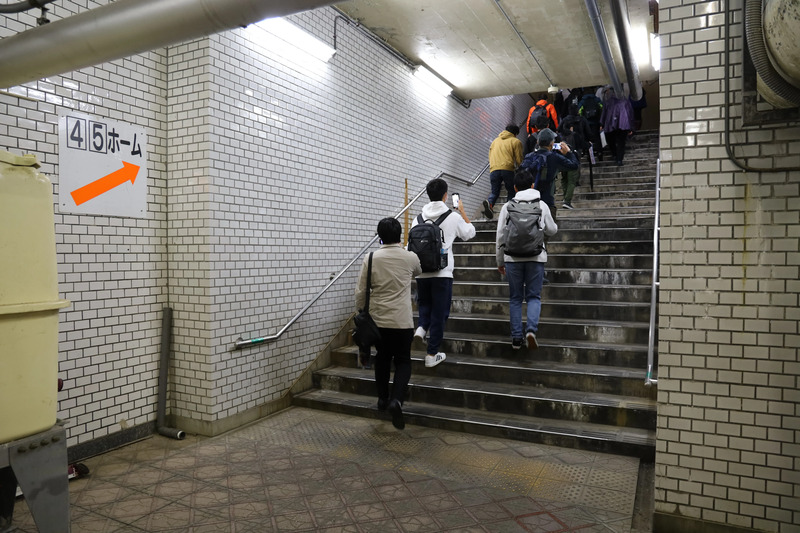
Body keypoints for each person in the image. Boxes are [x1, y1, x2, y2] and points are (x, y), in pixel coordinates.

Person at [355, 218, 422, 430]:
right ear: (400, 235)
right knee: (403, 361)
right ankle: (396, 401)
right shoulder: (410, 257)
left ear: (379, 236)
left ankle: (383, 399)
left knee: (382, 359)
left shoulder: (370, 258)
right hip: (402, 321)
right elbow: (419, 271)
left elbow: (361, 291)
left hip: (378, 321)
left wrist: (361, 313)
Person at [413, 178, 476, 367]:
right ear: (446, 196)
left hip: (422, 273)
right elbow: (470, 233)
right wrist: (462, 211)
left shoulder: (418, 218)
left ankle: (421, 328)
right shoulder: (453, 217)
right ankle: (432, 355)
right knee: (440, 314)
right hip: (442, 274)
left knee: (425, 305)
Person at [495, 170, 558, 349]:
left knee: (515, 298)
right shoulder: (542, 205)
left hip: (512, 258)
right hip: (536, 257)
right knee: (533, 297)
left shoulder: (507, 207)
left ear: (515, 188)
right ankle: (531, 330)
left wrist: (500, 261)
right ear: (532, 185)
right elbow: (552, 230)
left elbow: (500, 235)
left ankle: (516, 337)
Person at [528, 128, 579, 222]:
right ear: (552, 144)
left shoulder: (529, 156)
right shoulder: (554, 157)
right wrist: (568, 153)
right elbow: (574, 165)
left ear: (538, 142)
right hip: (548, 200)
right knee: (549, 227)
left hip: (530, 202)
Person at [482, 124, 523, 220]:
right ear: (515, 134)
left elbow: (490, 155)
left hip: (494, 169)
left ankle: (490, 203)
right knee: (511, 190)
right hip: (507, 169)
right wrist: (521, 169)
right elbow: (519, 159)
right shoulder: (515, 141)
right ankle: (509, 210)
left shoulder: (495, 141)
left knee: (494, 192)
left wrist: (493, 166)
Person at [557, 103, 593, 209]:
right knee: (572, 179)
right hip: (574, 155)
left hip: (562, 158)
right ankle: (567, 200)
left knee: (564, 179)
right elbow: (585, 141)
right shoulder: (579, 126)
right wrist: (590, 143)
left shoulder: (560, 136)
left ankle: (565, 196)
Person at [599, 87, 635, 166]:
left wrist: (602, 124)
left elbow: (604, 114)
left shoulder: (608, 102)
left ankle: (615, 155)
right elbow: (630, 114)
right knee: (621, 142)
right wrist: (631, 127)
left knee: (611, 141)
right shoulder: (625, 101)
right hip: (623, 124)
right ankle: (619, 159)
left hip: (610, 125)